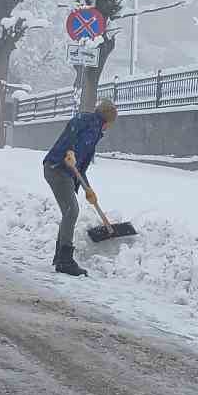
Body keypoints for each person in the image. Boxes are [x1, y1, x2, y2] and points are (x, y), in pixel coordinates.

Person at [41, 99, 117, 277]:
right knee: (72, 210)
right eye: (110, 124)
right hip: (56, 168)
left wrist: (88, 189)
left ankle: (60, 256)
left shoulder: (95, 131)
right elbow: (70, 134)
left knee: (69, 211)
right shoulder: (86, 121)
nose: (108, 128)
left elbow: (80, 167)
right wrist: (69, 151)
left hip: (64, 171)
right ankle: (64, 260)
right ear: (106, 121)